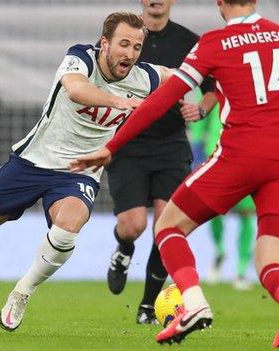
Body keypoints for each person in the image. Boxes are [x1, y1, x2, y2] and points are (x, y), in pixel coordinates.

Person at [0, 12, 174, 332]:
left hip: (77, 173)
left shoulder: (145, 78)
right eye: (123, 44)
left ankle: (22, 291)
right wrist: (120, 103)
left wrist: (204, 90)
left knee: (69, 227)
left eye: (137, 47)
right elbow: (77, 90)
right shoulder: (80, 58)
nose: (130, 54)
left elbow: (184, 77)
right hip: (30, 163)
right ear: (104, 43)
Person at [70, 0, 279, 346]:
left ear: (220, 3)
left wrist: (111, 146)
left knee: (168, 225)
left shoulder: (213, 42)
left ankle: (194, 304)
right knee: (269, 257)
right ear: (255, 1)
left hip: (240, 156)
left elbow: (162, 99)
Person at [104, 0, 217, 325]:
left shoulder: (188, 42)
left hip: (170, 145)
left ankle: (147, 307)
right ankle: (123, 249)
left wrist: (202, 109)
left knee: (166, 226)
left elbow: (211, 90)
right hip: (129, 143)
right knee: (133, 225)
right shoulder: (125, 37)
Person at [198, 109, 256, 290]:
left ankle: (240, 271)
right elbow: (201, 110)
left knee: (246, 213)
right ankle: (220, 250)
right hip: (216, 154)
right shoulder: (217, 85)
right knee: (212, 209)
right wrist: (197, 141)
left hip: (247, 156)